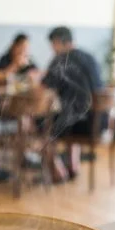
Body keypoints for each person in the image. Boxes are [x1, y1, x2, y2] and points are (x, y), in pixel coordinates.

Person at [40, 26, 105, 178]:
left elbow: (44, 87)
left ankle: (57, 170)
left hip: (80, 125)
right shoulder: (90, 57)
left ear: (57, 42)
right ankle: (73, 165)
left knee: (41, 122)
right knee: (71, 112)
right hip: (99, 122)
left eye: (53, 46)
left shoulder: (61, 60)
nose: (53, 50)